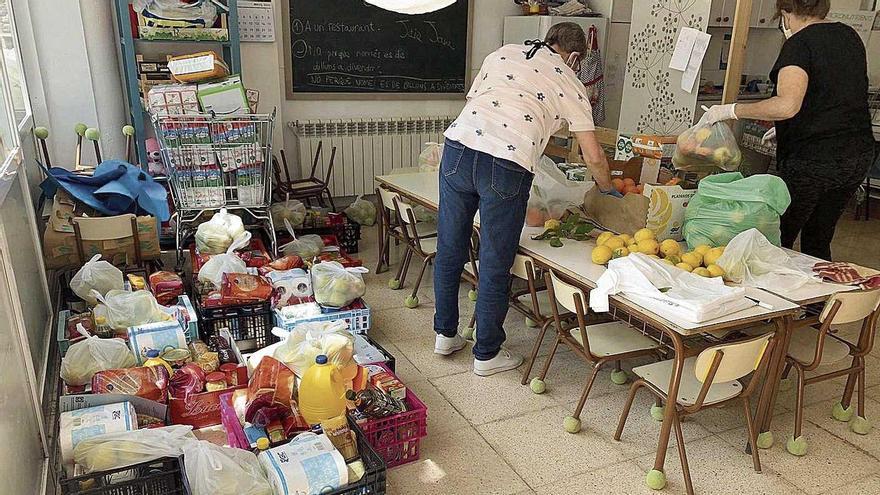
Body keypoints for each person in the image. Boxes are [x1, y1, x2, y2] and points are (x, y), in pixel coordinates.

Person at [432, 22, 615, 377]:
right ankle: (486, 354)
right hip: (505, 163)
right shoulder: (569, 80)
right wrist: (607, 189)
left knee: (451, 247)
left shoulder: (503, 53)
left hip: (456, 150)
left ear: (548, 39)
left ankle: (445, 334)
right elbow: (594, 156)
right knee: (495, 260)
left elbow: (480, 103)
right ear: (574, 55)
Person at [701, 0, 873, 261]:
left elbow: (787, 105)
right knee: (818, 237)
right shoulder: (848, 35)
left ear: (786, 13)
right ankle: (818, 300)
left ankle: (774, 298)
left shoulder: (799, 45)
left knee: (776, 236)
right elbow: (831, 95)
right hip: (856, 155)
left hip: (814, 160)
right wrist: (784, 129)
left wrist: (730, 110)